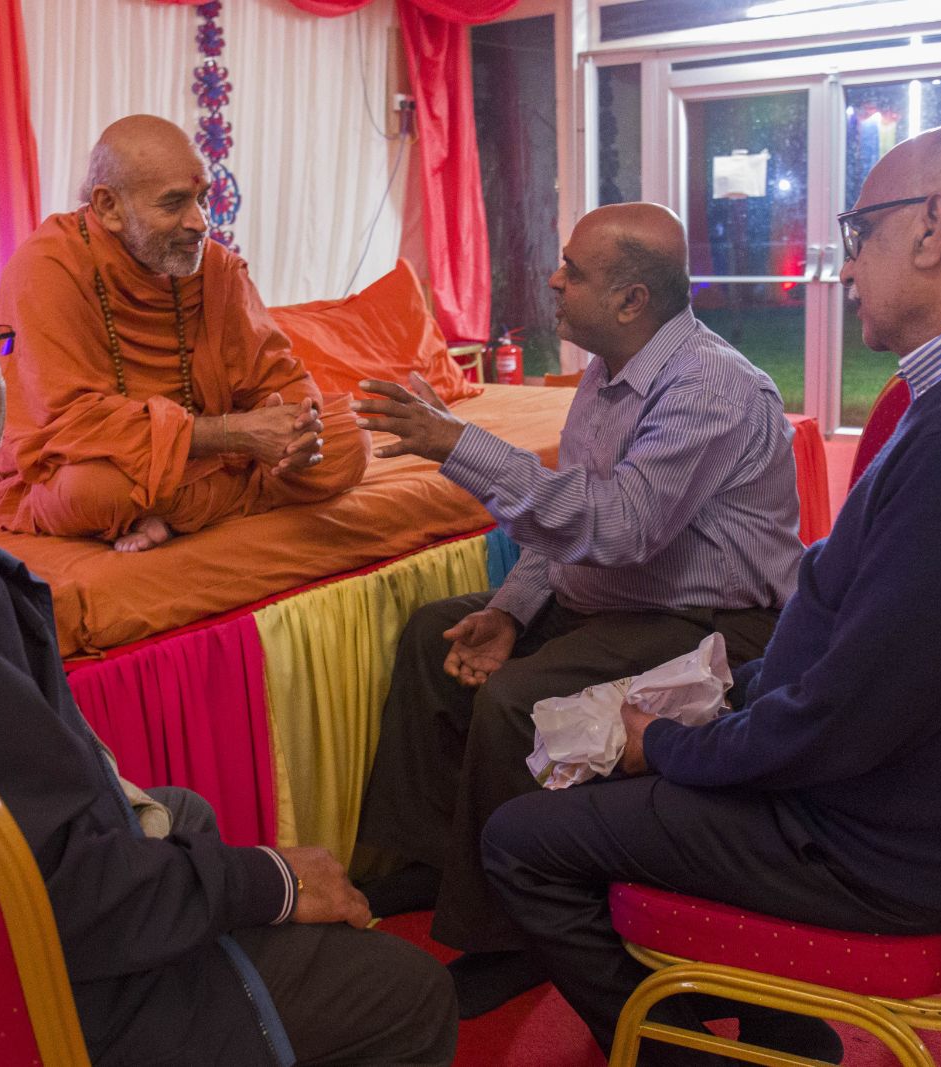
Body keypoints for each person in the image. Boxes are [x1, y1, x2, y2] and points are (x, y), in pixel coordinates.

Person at [480, 121, 941, 1065]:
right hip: (902, 796)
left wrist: (669, 745)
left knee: (522, 840)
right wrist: (727, 701)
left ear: (933, 226)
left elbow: (849, 717)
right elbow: (881, 653)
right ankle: (783, 1025)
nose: (843, 268)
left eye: (859, 234)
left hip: (869, 843)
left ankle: (690, 1055)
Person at [0, 232, 456, 1067]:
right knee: (411, 995)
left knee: (185, 813)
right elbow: (62, 890)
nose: (191, 221)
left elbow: (289, 400)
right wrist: (271, 881)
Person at [350, 202, 806, 1017]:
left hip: (712, 623)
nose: (554, 280)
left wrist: (458, 442)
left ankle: (512, 935)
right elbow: (567, 514)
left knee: (518, 697)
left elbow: (617, 526)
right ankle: (436, 857)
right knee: (431, 635)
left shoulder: (711, 386)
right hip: (622, 598)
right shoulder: (608, 369)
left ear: (632, 300)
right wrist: (512, 609)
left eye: (574, 270)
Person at [0, 115, 370, 552]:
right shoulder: (47, 269)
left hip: (207, 461)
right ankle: (210, 500)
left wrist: (298, 430)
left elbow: (278, 375)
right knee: (92, 490)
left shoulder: (217, 268)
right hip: (115, 463)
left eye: (202, 199)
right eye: (174, 204)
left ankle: (169, 513)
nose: (200, 222)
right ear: (108, 206)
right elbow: (71, 422)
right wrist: (234, 435)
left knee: (348, 438)